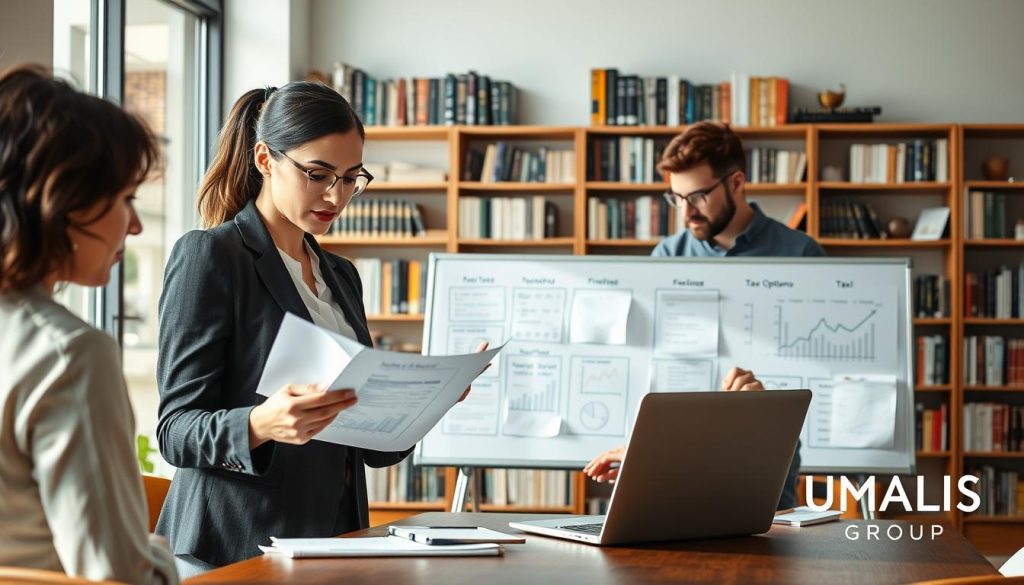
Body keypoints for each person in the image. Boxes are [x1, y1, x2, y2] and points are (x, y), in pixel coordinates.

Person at [156, 81, 480, 573]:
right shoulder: (211, 256)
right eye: (318, 174)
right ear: (265, 160)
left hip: (335, 539)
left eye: (352, 177)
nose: (337, 195)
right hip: (234, 545)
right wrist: (261, 423)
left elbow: (369, 452)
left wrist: (422, 402)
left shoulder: (342, 275)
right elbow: (175, 430)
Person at [584, 122, 825, 509]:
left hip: (762, 455)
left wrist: (765, 403)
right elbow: (650, 365)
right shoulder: (666, 257)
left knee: (765, 563)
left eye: (697, 196)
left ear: (736, 182)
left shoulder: (801, 256)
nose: (686, 212)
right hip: (678, 455)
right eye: (676, 198)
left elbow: (818, 370)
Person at [0, 65, 177, 584]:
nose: (136, 224)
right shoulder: (68, 354)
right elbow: (117, 575)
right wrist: (161, 558)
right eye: (126, 199)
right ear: (63, 201)